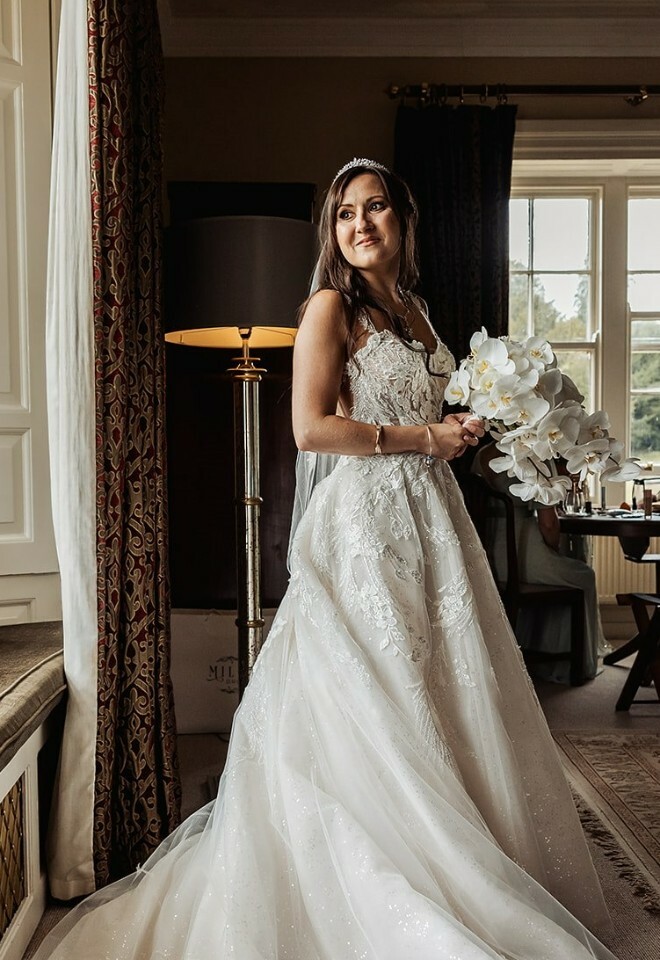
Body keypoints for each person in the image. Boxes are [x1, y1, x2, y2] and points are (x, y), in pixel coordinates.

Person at [33, 159, 619, 960]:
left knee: (445, 690)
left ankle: (461, 850)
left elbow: (436, 422)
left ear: (404, 222)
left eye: (376, 208)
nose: (361, 224)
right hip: (367, 524)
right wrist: (423, 439)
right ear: (333, 231)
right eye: (346, 213)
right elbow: (310, 429)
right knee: (375, 695)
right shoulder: (329, 308)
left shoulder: (414, 312)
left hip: (433, 523)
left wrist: (486, 432)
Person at [472, 440, 609, 684]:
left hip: (486, 557)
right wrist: (554, 551)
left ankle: (537, 651)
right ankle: (568, 663)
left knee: (563, 576)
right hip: (523, 553)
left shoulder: (481, 455)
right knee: (582, 576)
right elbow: (548, 524)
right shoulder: (537, 456)